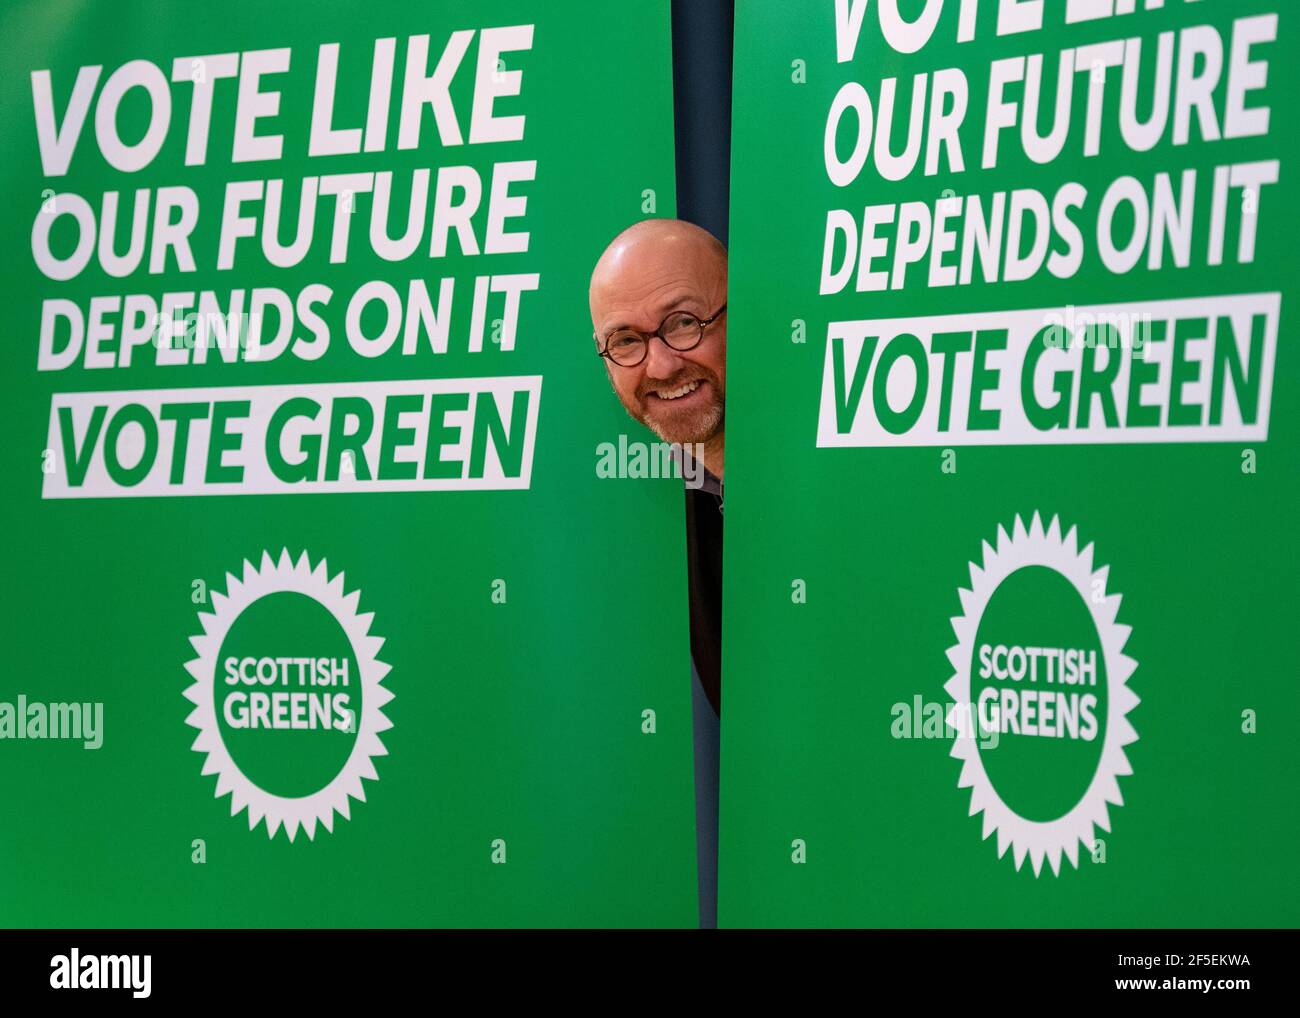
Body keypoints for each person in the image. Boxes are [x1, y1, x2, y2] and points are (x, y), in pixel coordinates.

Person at [588, 218, 726, 928]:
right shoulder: (662, 509)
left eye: (684, 323)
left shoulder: (827, 490)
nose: (663, 365)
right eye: (627, 342)